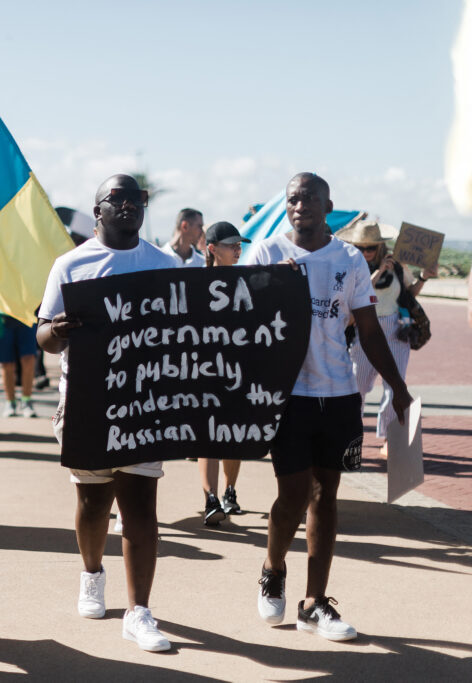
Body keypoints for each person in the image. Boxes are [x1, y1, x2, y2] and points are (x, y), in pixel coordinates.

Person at [243, 173, 412, 641]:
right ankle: (273, 566)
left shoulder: (348, 258)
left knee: (326, 495)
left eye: (310, 198)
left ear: (327, 205)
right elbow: (238, 321)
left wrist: (396, 386)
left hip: (338, 393)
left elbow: (370, 330)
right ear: (288, 205)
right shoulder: (266, 253)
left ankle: (315, 603)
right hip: (287, 397)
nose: (301, 206)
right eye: (294, 198)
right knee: (292, 495)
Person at [38, 174, 178, 653]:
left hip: (145, 403)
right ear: (97, 211)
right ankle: (92, 573)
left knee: (141, 506)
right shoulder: (71, 264)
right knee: (94, 502)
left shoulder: (166, 263)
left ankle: (139, 611)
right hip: (87, 401)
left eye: (135, 198)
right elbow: (44, 336)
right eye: (114, 199)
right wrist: (57, 331)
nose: (127, 206)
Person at [337, 221, 434, 445]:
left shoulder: (397, 265)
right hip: (365, 327)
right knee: (358, 385)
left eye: (370, 248)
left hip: (396, 328)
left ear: (380, 246)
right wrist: (379, 271)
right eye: (360, 248)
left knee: (395, 385)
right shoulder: (350, 266)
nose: (365, 253)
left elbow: (410, 293)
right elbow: (356, 294)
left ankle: (392, 439)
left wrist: (424, 277)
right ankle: (351, 434)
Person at [197, 221, 251, 525]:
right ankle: (211, 498)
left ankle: (229, 492)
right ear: (212, 248)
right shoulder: (196, 284)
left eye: (239, 244)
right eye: (231, 245)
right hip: (206, 372)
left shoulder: (248, 282)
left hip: (239, 371)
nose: (237, 249)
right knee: (209, 438)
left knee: (235, 436)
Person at [0, 313, 38, 417]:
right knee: (7, 363)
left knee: (29, 359)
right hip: (3, 316)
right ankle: (10, 402)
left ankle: (26, 401)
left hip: (27, 314)